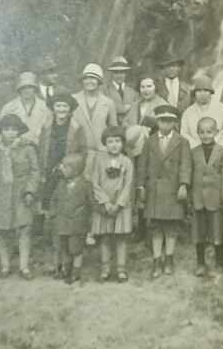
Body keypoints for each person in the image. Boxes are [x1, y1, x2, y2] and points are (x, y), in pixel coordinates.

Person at [0, 113, 39, 278]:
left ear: (19, 131)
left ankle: (24, 267)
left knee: (25, 228)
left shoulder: (28, 149)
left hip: (21, 194)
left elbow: (35, 172)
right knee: (3, 231)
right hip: (0, 195)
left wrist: (30, 190)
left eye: (14, 129)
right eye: (7, 129)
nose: (11, 133)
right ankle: (5, 266)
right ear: (1, 131)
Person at [135, 103, 191, 279]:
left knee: (171, 227)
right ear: (157, 122)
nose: (165, 125)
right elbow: (142, 165)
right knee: (156, 227)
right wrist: (141, 186)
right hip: (154, 190)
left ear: (175, 123)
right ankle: (156, 259)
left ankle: (169, 258)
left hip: (174, 190)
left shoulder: (182, 142)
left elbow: (186, 165)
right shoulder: (149, 142)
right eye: (162, 121)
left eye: (169, 122)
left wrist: (183, 184)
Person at [189, 116, 223, 277]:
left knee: (217, 232)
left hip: (216, 198)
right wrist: (189, 197)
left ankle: (219, 263)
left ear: (216, 132)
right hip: (198, 198)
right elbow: (190, 174)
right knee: (198, 233)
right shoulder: (193, 152)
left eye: (209, 132)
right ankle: (200, 263)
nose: (206, 135)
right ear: (197, 133)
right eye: (202, 132)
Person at [89, 125, 134, 282]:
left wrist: (119, 204)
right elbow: (95, 183)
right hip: (104, 206)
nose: (114, 145)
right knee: (105, 238)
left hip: (121, 207)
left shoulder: (127, 162)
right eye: (110, 141)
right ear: (105, 143)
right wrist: (106, 203)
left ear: (123, 143)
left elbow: (128, 185)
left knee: (121, 238)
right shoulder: (99, 160)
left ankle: (121, 269)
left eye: (117, 141)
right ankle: (105, 268)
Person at [43, 153, 92, 283]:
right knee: (64, 247)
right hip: (62, 222)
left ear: (75, 170)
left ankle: (76, 272)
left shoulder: (85, 185)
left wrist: (89, 222)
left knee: (76, 249)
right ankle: (66, 269)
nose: (61, 169)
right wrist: (53, 212)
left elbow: (90, 204)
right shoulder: (60, 184)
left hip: (78, 223)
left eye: (65, 167)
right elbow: (54, 199)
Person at [72, 63, 117, 164]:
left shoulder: (108, 103)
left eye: (93, 78)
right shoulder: (73, 99)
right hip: (78, 152)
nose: (89, 81)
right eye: (86, 78)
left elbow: (114, 130)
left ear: (99, 81)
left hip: (102, 152)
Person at [180, 74, 223, 149]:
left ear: (211, 92)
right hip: (195, 153)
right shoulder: (188, 112)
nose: (202, 94)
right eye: (199, 91)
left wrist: (218, 148)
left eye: (206, 90)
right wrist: (197, 148)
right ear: (194, 93)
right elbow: (184, 133)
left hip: (220, 152)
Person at [0, 71, 51, 145]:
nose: (26, 90)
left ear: (35, 89)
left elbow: (48, 132)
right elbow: (0, 133)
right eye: (23, 87)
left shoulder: (44, 107)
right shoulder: (8, 108)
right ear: (19, 89)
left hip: (38, 146)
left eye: (30, 87)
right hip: (14, 146)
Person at [104, 55, 139, 123]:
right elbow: (105, 110)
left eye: (122, 72)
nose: (119, 75)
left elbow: (135, 113)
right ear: (112, 73)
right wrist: (123, 109)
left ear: (126, 73)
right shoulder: (105, 91)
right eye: (116, 72)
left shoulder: (133, 93)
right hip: (110, 130)